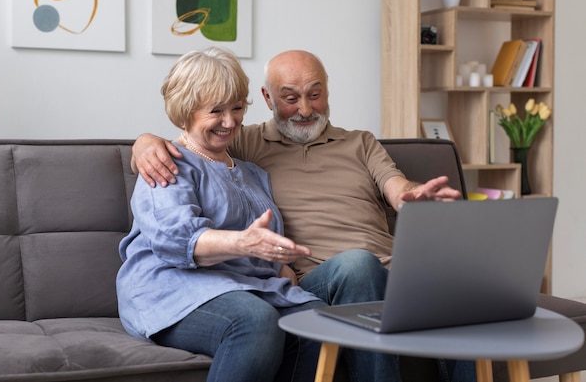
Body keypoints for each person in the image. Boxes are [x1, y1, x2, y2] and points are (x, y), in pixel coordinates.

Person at [132, 50, 473, 382]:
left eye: (315, 94)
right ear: (267, 98)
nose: (305, 109)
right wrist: (144, 143)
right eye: (291, 98)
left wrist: (408, 196)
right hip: (310, 275)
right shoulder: (234, 145)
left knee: (462, 285)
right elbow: (190, 151)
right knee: (348, 271)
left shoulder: (260, 170)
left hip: (369, 271)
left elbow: (396, 185)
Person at [116, 47, 327, 382]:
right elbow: (175, 238)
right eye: (216, 111)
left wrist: (279, 263)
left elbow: (262, 239)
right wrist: (243, 244)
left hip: (238, 285)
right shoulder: (168, 162)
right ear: (185, 112)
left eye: (237, 108)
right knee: (254, 320)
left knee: (315, 318)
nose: (230, 122)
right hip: (170, 289)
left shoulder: (252, 173)